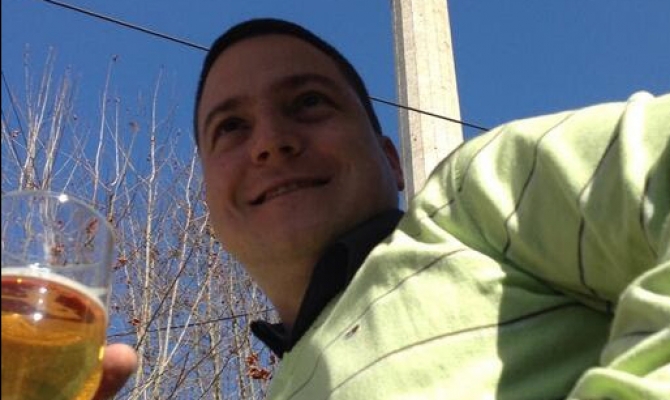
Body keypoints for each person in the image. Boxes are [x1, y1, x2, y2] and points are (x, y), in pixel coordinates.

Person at [96, 18, 670, 400]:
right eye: (231, 127)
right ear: (208, 202)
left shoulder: (471, 204)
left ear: (392, 161)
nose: (270, 141)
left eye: (309, 102)